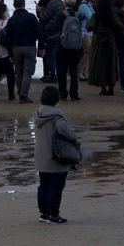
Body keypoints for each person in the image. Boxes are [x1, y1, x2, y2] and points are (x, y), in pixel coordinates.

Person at [32, 86, 80, 224]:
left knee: (44, 186)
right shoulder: (57, 115)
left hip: (41, 155)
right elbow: (66, 132)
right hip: (56, 156)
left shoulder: (37, 113)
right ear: (56, 98)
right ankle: (53, 215)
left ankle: (44, 213)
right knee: (56, 187)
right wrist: (74, 136)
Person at [56, 0, 85, 102]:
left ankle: (63, 93)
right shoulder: (78, 15)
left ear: (65, 3)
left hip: (63, 46)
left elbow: (58, 29)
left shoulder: (61, 15)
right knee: (73, 71)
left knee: (62, 71)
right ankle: (74, 94)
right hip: (76, 47)